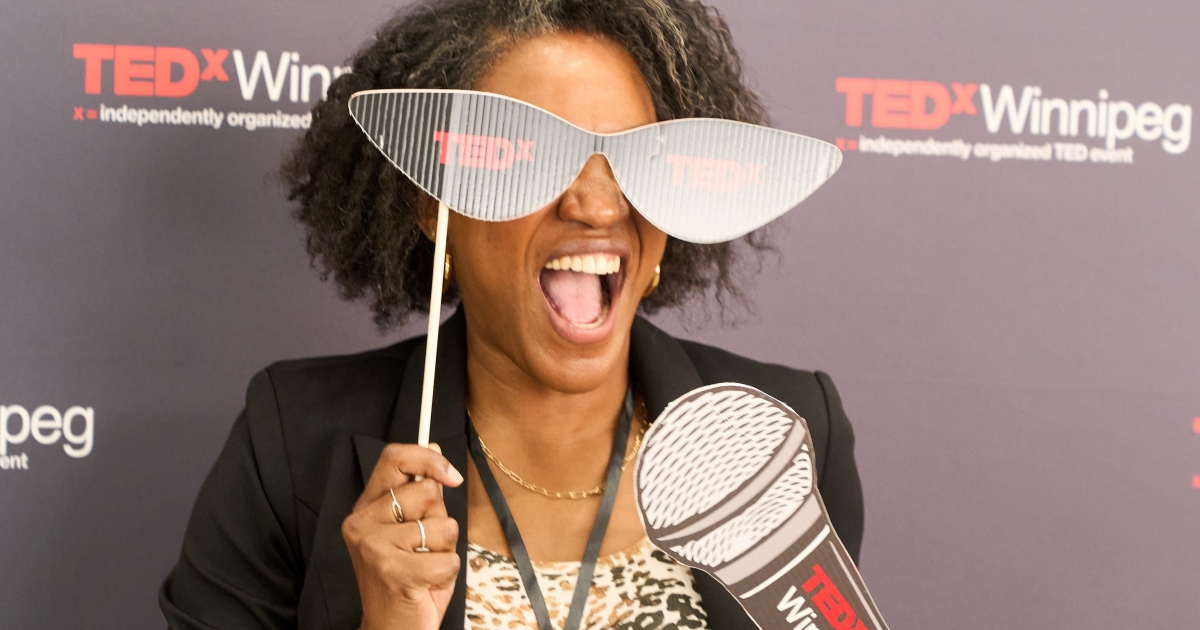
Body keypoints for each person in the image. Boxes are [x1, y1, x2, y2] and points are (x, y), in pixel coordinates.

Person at [160, 1, 864, 629]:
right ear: (436, 204)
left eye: (636, 159)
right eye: (538, 158)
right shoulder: (290, 443)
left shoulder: (787, 442)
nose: (598, 205)